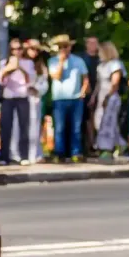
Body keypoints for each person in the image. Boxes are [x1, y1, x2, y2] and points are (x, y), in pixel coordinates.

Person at [48, 34, 90, 162]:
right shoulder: (53, 61)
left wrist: (83, 91)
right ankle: (59, 153)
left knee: (76, 128)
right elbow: (56, 76)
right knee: (59, 128)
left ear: (70, 47)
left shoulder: (78, 61)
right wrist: (61, 62)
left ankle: (76, 152)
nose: (63, 49)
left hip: (76, 98)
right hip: (59, 99)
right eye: (60, 47)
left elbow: (85, 77)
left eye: (65, 46)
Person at [0, 39, 35, 165]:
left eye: (19, 49)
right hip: (8, 97)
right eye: (13, 49)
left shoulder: (28, 62)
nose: (16, 51)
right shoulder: (4, 63)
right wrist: (9, 69)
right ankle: (4, 157)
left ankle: (24, 156)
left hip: (22, 97)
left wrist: (20, 68)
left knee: (24, 127)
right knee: (6, 127)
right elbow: (0, 80)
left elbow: (30, 80)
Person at [93, 41, 126, 159]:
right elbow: (98, 84)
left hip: (111, 96)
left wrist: (108, 97)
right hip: (101, 95)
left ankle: (107, 148)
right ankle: (120, 143)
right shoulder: (101, 66)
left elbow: (115, 83)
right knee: (100, 121)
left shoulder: (115, 64)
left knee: (108, 122)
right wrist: (93, 97)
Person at [25, 40, 49, 163]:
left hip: (35, 99)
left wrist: (37, 89)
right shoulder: (21, 62)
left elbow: (44, 83)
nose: (34, 52)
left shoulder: (40, 65)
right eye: (32, 48)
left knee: (35, 126)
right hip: (22, 98)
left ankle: (35, 154)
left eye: (37, 49)